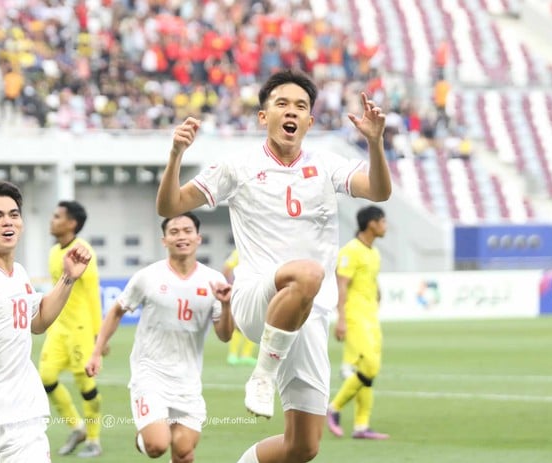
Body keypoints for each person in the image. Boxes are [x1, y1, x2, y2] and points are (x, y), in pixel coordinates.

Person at [156, 69, 391, 463]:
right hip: (257, 298)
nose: (291, 111)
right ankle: (261, 374)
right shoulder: (238, 166)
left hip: (309, 313)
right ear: (263, 116)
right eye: (281, 103)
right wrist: (176, 154)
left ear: (310, 121)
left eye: (301, 106)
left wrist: (376, 143)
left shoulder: (326, 163)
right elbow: (170, 206)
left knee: (303, 447)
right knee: (309, 272)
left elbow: (380, 191)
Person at [0, 178, 92, 461]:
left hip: (22, 415)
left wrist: (68, 278)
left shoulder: (21, 275)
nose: (8, 223)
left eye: (14, 215)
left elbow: (38, 322)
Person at [85, 212, 234, 461]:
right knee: (157, 445)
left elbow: (225, 336)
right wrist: (97, 351)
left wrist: (227, 305)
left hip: (188, 380)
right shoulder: (148, 277)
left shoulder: (214, 281)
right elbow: (117, 310)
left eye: (187, 231)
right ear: (164, 240)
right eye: (174, 232)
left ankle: (158, 434)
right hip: (150, 374)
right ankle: (145, 436)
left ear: (198, 238)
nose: (181, 236)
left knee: (184, 452)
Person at [38, 200, 103, 457]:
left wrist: (99, 336)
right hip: (58, 330)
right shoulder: (55, 252)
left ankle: (94, 440)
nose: (52, 220)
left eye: (57, 216)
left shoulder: (83, 251)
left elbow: (92, 293)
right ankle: (77, 427)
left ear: (71, 223)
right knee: (46, 378)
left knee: (86, 385)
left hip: (80, 329)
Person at [326, 206, 390, 440]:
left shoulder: (373, 252)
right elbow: (341, 284)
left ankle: (361, 426)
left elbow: (371, 280)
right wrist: (341, 319)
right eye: (383, 221)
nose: (386, 226)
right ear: (372, 223)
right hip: (354, 316)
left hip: (371, 317)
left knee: (369, 371)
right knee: (370, 366)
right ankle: (334, 407)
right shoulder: (350, 251)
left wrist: (378, 295)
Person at [223, 249, 257, 366]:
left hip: (256, 292)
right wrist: (230, 284)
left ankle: (246, 355)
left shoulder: (261, 250)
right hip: (241, 291)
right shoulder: (240, 251)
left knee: (254, 322)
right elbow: (227, 267)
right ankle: (232, 354)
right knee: (238, 323)